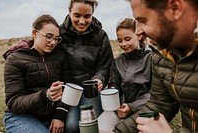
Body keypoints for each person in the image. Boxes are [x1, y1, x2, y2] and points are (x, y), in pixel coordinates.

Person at [111, 0, 198, 133]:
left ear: (175, 8)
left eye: (143, 21)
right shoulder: (163, 54)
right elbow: (161, 104)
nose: (139, 31)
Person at [4, 14, 71, 133]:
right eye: (49, 37)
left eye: (57, 38)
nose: (53, 42)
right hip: (21, 116)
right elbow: (13, 101)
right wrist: (46, 95)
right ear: (34, 33)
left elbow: (67, 87)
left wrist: (59, 116)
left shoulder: (60, 56)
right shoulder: (15, 59)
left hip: (51, 116)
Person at [59, 0, 114, 132]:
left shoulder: (101, 35)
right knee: (71, 126)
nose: (82, 21)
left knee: (91, 125)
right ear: (69, 11)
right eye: (77, 16)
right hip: (69, 91)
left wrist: (100, 78)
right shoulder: (59, 33)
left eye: (87, 16)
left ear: (92, 14)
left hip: (91, 91)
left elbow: (106, 65)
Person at [110, 18, 152, 119]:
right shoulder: (117, 61)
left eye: (127, 39)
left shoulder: (151, 59)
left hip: (146, 110)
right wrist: (112, 95)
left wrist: (132, 107)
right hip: (121, 110)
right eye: (120, 40)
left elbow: (155, 92)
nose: (123, 44)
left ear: (139, 36)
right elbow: (114, 85)